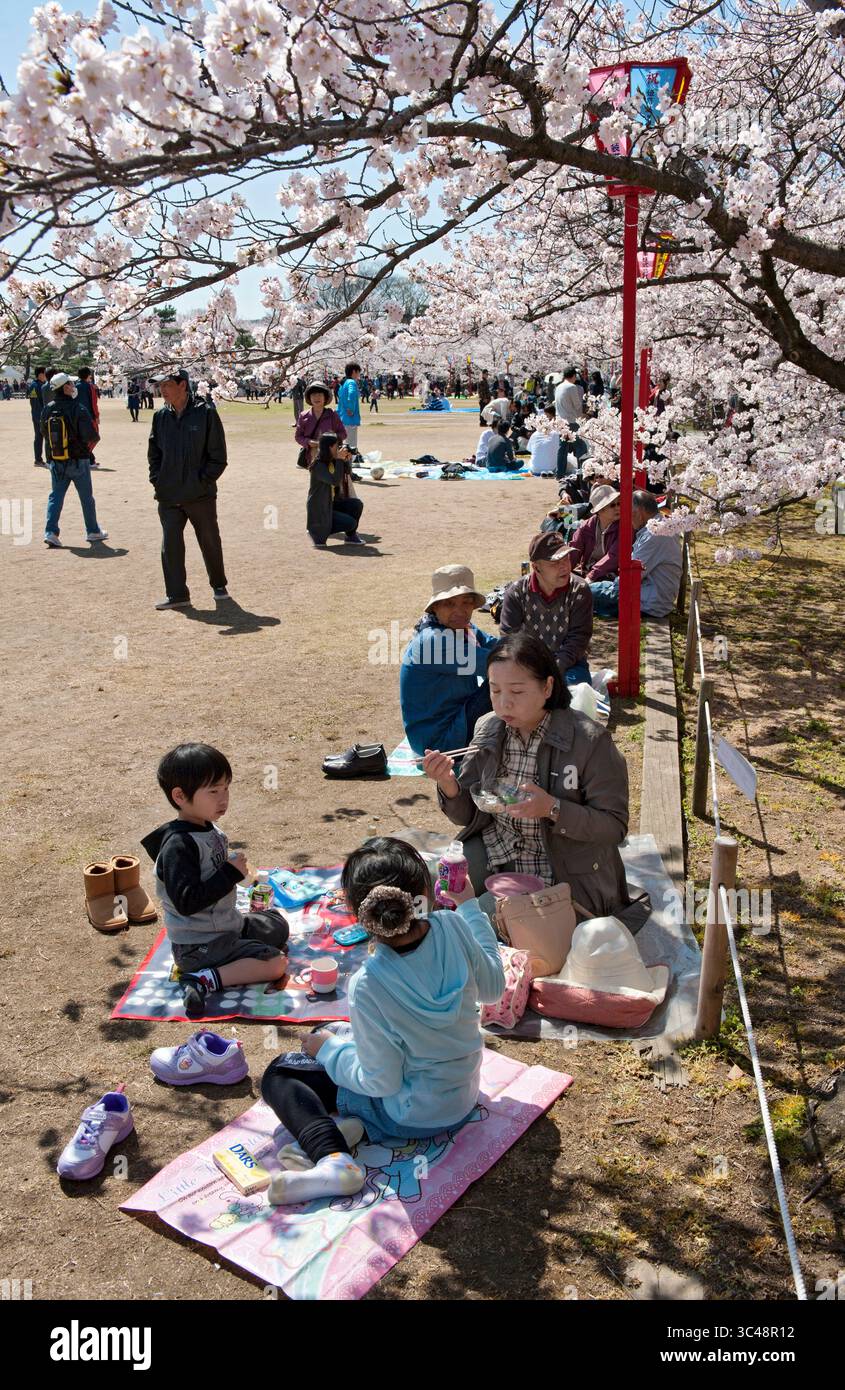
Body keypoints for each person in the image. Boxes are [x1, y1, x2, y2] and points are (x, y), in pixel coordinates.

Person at [260, 836, 504, 1205]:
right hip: (461, 1096)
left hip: (410, 1115)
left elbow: (381, 1080)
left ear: (360, 915)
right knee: (327, 1036)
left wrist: (329, 1053)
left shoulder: (368, 985)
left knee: (283, 1071)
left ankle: (333, 1159)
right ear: (428, 893)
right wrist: (469, 905)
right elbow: (493, 988)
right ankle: (356, 1128)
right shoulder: (454, 927)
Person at [423, 632, 650, 931]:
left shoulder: (590, 741)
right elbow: (467, 815)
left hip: (561, 864)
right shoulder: (490, 728)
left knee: (481, 920)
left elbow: (614, 827)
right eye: (494, 690)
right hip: (498, 848)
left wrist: (553, 808)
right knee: (431, 891)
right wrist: (448, 783)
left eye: (516, 691)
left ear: (547, 686)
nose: (504, 704)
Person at [141, 742, 290, 1020]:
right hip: (199, 945)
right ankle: (202, 980)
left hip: (225, 925)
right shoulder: (178, 846)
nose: (223, 799)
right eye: (213, 791)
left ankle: (222, 962)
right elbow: (187, 902)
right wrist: (230, 873)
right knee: (275, 963)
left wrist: (238, 872)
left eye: (226, 788)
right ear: (180, 796)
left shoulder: (205, 825)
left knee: (277, 924)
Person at [148, 367, 229, 610]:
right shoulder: (160, 417)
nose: (162, 390)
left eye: (167, 385)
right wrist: (157, 479)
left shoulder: (205, 414)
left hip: (199, 494)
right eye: (160, 386)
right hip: (168, 494)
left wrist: (202, 481)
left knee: (209, 540)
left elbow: (218, 457)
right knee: (170, 544)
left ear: (183, 384)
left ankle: (218, 585)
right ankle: (177, 595)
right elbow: (154, 454)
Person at [400, 565, 500, 757]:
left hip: (457, 719)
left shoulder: (464, 629)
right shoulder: (433, 641)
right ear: (435, 607)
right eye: (449, 604)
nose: (460, 611)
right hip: (439, 741)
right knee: (509, 678)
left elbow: (497, 645)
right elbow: (498, 663)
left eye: (466, 602)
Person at [499, 532, 593, 686]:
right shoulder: (516, 592)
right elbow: (509, 637)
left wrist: (557, 666)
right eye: (555, 563)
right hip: (528, 663)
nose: (564, 566)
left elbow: (579, 639)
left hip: (570, 663)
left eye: (566, 559)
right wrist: (532, 668)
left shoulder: (580, 590)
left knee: (575, 698)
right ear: (536, 567)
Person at [589, 491, 683, 619]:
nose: (626, 517)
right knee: (592, 588)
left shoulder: (655, 535)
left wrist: (611, 587)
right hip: (650, 595)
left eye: (628, 512)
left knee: (585, 592)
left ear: (639, 512)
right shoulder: (658, 527)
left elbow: (630, 576)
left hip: (647, 602)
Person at [41, 371, 108, 547]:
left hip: (57, 459)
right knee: (86, 498)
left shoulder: (48, 408)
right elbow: (91, 435)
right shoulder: (78, 408)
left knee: (56, 496)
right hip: (79, 460)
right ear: (65, 388)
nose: (73, 386)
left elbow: (43, 432)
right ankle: (92, 531)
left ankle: (51, 532)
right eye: (70, 383)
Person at [307, 432, 364, 547]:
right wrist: (339, 459)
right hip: (320, 510)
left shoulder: (333, 460)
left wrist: (345, 460)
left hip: (331, 504)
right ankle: (316, 532)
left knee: (356, 504)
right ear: (329, 447)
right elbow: (334, 480)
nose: (338, 449)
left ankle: (350, 537)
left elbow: (348, 474)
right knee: (350, 523)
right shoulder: (318, 465)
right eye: (336, 446)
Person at [568, 484, 621, 582]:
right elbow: (574, 550)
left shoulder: (624, 527)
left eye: (619, 503)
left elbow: (613, 556)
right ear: (599, 510)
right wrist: (565, 570)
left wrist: (591, 576)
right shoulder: (586, 526)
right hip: (587, 572)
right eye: (613, 505)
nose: (618, 508)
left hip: (612, 578)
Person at [294, 381, 346, 466]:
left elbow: (343, 434)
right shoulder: (304, 416)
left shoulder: (332, 414)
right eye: (313, 395)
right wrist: (308, 442)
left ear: (325, 397)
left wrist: (330, 441)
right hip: (312, 456)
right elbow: (298, 436)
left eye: (319, 395)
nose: (316, 398)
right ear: (309, 397)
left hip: (331, 454)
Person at [554, 367, 586, 480]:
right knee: (581, 448)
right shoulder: (572, 387)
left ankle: (560, 474)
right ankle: (581, 473)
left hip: (560, 421)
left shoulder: (558, 387)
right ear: (573, 376)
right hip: (571, 421)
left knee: (562, 448)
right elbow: (577, 405)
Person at [75, 368, 100, 466]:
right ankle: (86, 456)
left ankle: (88, 458)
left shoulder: (75, 386)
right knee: (94, 437)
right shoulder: (90, 387)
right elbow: (94, 403)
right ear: (88, 375)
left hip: (77, 416)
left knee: (81, 438)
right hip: (89, 416)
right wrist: (96, 416)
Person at [337, 361, 362, 454]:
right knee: (351, 443)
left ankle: (347, 461)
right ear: (354, 371)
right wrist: (350, 408)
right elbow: (351, 394)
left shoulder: (343, 383)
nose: (359, 374)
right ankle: (351, 462)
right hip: (350, 417)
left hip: (343, 417)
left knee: (346, 442)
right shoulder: (351, 382)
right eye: (358, 372)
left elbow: (340, 397)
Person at [527, 407, 560, 476]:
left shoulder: (535, 434)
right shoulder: (557, 433)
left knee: (530, 460)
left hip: (536, 469)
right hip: (553, 467)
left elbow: (530, 450)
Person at [27, 365, 48, 466]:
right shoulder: (37, 386)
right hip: (39, 415)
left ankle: (39, 459)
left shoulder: (36, 385)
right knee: (41, 437)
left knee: (40, 437)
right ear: (40, 374)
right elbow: (37, 403)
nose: (45, 375)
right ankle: (39, 459)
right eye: (44, 373)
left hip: (38, 414)